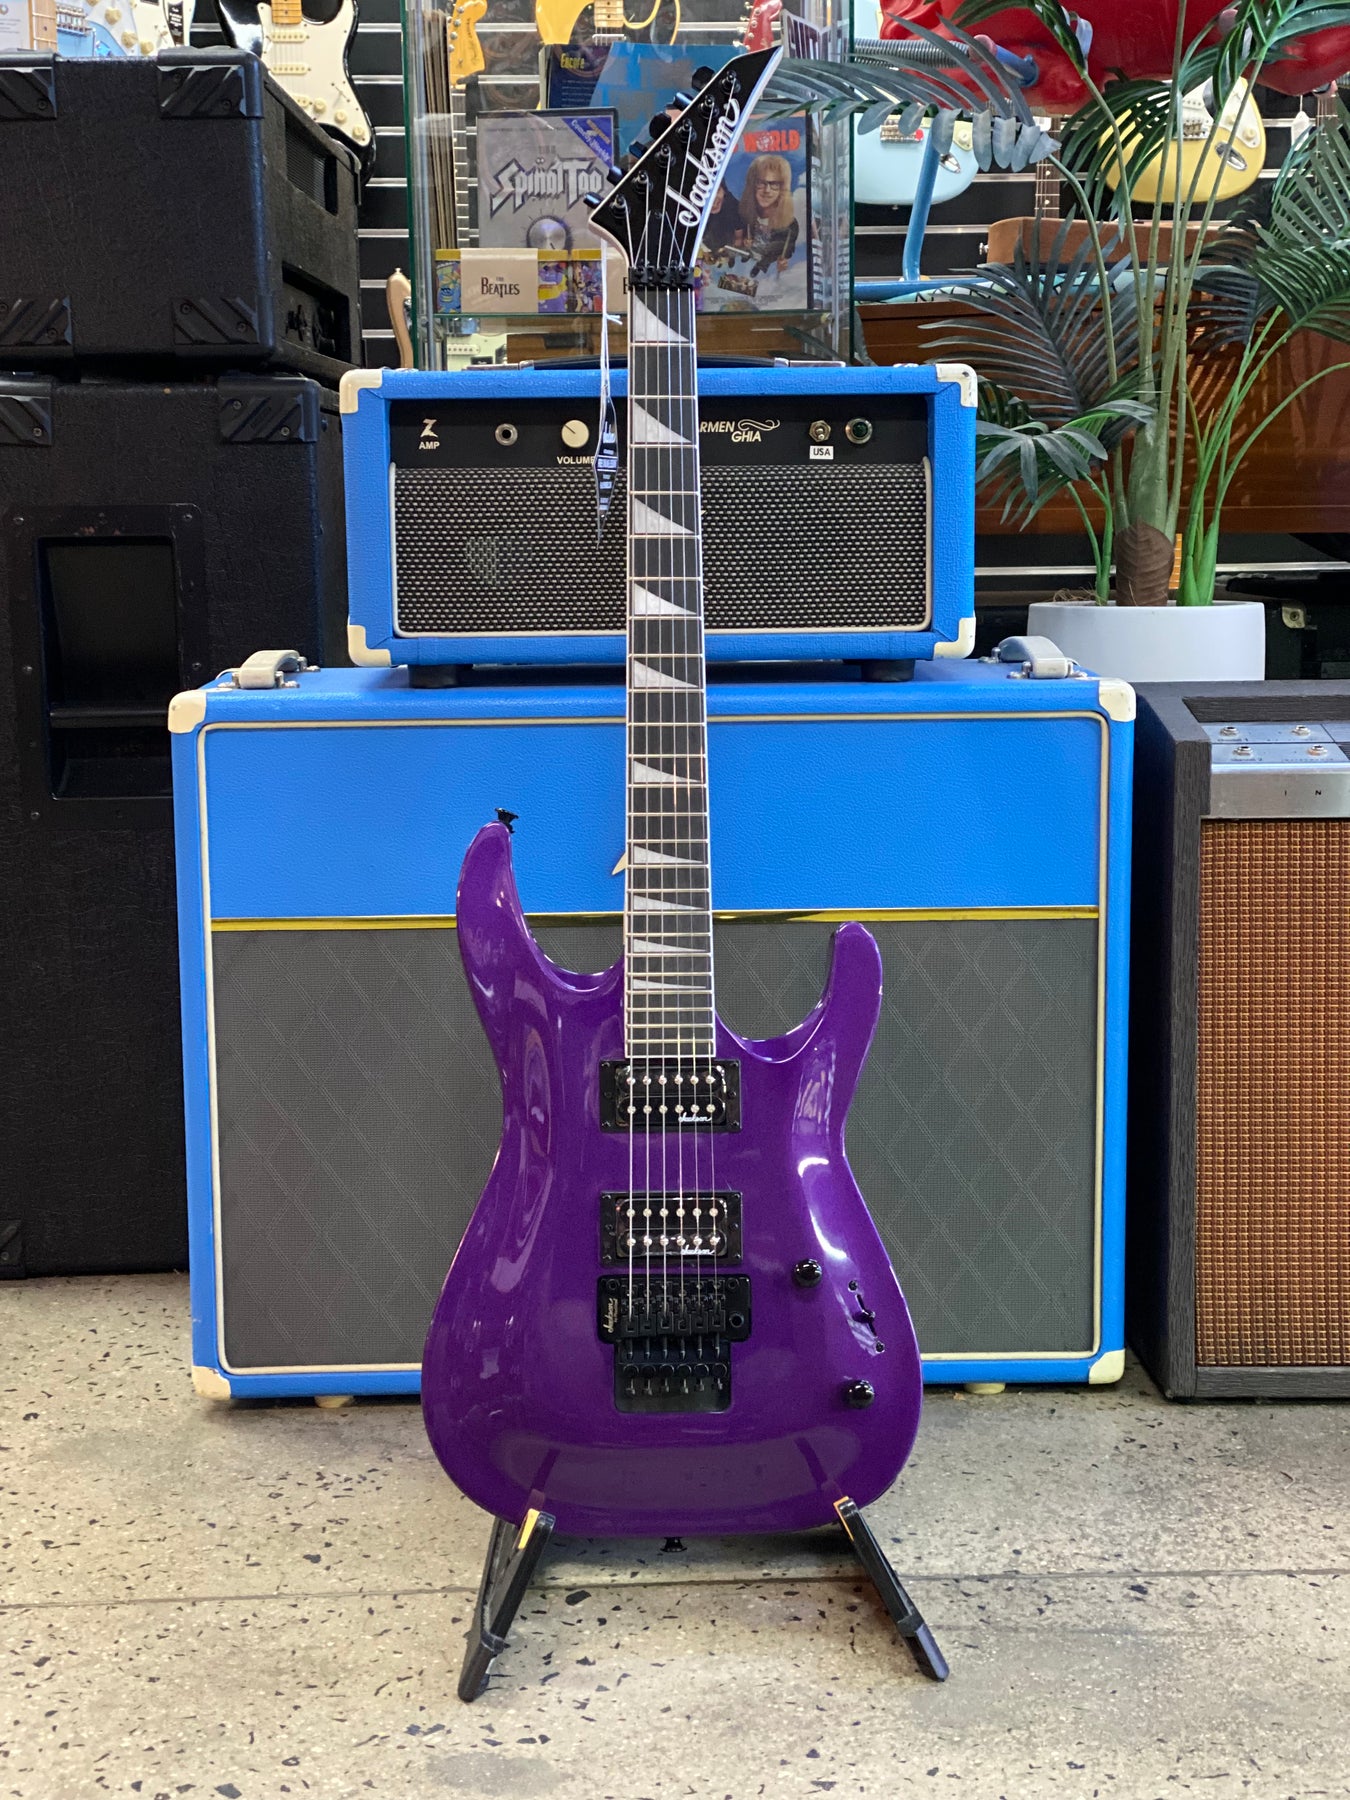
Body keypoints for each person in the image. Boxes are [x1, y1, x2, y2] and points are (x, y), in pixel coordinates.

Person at [737, 155, 799, 275]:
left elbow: (788, 251)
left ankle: (758, 268)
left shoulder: (790, 225)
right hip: (745, 260)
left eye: (774, 184)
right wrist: (743, 243)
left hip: (765, 267)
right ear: (752, 185)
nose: (767, 190)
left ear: (783, 189)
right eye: (761, 183)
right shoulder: (743, 214)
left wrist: (784, 262)